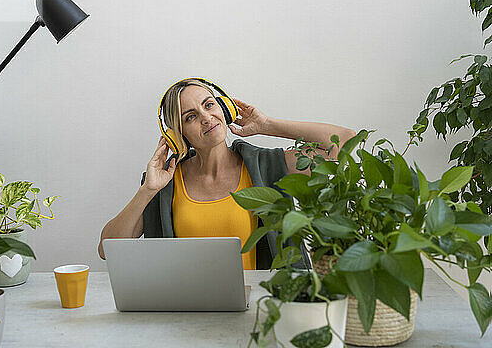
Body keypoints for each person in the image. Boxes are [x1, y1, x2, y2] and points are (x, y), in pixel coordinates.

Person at [98, 78, 356, 269]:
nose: (206, 117)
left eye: (209, 105)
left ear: (225, 109)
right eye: (190, 117)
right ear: (178, 136)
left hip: (259, 310)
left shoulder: (266, 165)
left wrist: (267, 125)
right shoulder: (165, 183)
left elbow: (343, 144)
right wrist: (147, 191)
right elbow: (108, 249)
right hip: (184, 313)